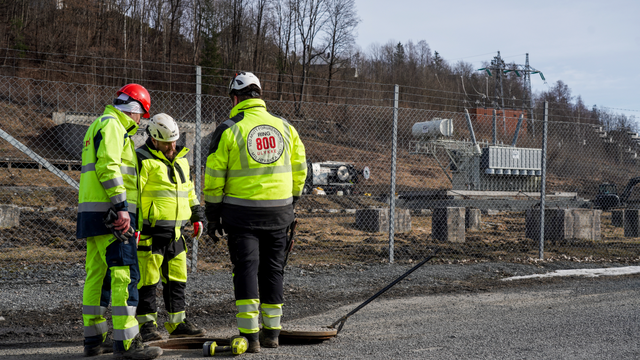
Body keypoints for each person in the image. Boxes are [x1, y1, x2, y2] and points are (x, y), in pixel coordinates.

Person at [203, 72, 307, 353]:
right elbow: (300, 170)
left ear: (235, 98)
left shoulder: (229, 128)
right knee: (274, 270)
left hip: (242, 215)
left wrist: (212, 216)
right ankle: (272, 332)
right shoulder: (285, 127)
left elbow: (214, 177)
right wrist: (290, 201)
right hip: (279, 213)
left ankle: (251, 338)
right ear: (259, 95)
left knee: (246, 270)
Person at [77, 84, 162, 359]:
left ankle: (94, 339)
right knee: (125, 275)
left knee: (96, 275)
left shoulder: (97, 126)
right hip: (113, 217)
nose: (141, 123)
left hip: (93, 215)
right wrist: (122, 207)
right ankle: (126, 343)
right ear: (136, 110)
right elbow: (108, 166)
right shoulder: (114, 126)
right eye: (142, 116)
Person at [135, 113, 206, 341]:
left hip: (176, 233)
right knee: (147, 281)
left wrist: (197, 215)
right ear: (154, 140)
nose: (172, 146)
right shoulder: (142, 160)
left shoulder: (182, 160)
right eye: (167, 142)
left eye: (174, 141)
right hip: (149, 233)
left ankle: (177, 323)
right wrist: (133, 227)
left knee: (177, 280)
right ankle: (146, 326)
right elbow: (132, 196)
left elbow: (190, 191)